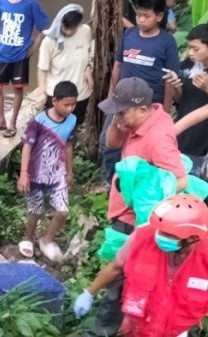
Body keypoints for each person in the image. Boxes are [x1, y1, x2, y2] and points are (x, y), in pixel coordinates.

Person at [85, 77, 187, 337]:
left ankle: (103, 330)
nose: (118, 116)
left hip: (137, 221)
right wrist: (119, 122)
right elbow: (111, 144)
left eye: (123, 111)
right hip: (125, 215)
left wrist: (144, 197)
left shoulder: (158, 138)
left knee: (119, 280)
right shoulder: (139, 120)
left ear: (143, 109)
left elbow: (179, 179)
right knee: (124, 277)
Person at [74, 194, 208, 337]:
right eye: (158, 229)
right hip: (136, 327)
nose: (158, 236)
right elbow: (116, 267)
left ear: (192, 238)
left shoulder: (204, 256)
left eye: (167, 234)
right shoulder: (143, 237)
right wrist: (89, 293)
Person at [101, 0, 179, 185]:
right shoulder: (129, 35)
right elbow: (118, 65)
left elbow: (170, 78)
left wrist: (165, 111)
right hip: (121, 101)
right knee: (109, 142)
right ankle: (111, 182)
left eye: (147, 16)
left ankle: (138, 184)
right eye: (139, 15)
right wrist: (113, 94)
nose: (141, 20)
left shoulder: (167, 42)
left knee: (141, 147)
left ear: (159, 17)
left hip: (148, 107)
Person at [17, 81, 78, 262]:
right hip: (36, 173)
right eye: (66, 104)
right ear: (55, 101)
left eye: (73, 104)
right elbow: (27, 147)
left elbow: (68, 146)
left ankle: (47, 239)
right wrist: (23, 173)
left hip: (57, 173)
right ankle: (28, 237)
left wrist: (69, 171)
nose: (70, 109)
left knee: (63, 212)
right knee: (35, 209)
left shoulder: (73, 120)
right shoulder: (39, 122)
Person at [0, 0, 50, 138]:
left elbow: (44, 26)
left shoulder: (31, 4)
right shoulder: (0, 2)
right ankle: (1, 121)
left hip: (21, 54)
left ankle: (12, 123)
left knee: (18, 88)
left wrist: (35, 46)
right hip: (3, 53)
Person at [36, 4, 94, 127]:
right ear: (60, 22)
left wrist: (88, 67)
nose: (68, 32)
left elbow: (89, 53)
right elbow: (42, 69)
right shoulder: (49, 41)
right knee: (53, 130)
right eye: (65, 28)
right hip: (58, 95)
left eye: (73, 29)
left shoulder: (85, 31)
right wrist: (42, 92)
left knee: (74, 127)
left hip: (80, 93)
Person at [163, 24, 208, 177]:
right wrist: (175, 86)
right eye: (189, 48)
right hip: (184, 135)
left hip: (203, 140)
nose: (190, 53)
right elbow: (181, 99)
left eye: (196, 49)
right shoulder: (186, 67)